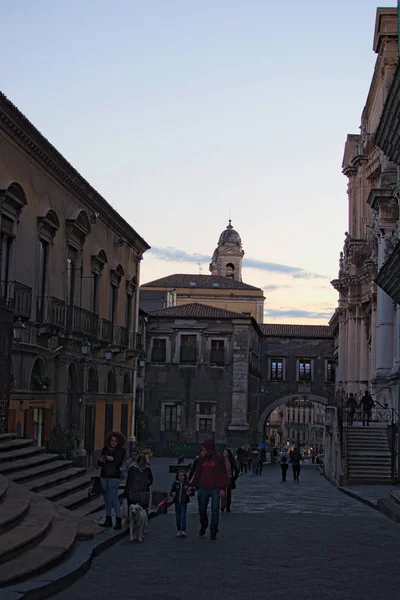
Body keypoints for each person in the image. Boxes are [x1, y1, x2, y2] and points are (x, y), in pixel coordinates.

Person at [189, 439, 228, 541]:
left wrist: (223, 488)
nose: (202, 451)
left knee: (215, 510)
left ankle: (213, 530)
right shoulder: (202, 459)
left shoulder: (219, 458)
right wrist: (191, 485)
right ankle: (204, 524)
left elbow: (224, 474)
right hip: (203, 488)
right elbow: (197, 473)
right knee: (202, 509)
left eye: (203, 449)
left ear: (208, 449)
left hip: (216, 488)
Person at [98, 431, 126, 529]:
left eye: (115, 441)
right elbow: (100, 462)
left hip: (114, 476)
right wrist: (102, 460)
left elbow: (118, 462)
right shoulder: (105, 449)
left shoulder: (121, 451)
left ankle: (118, 520)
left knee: (114, 498)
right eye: (112, 440)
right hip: (104, 475)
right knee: (106, 499)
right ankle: (108, 519)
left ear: (118, 442)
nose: (113, 442)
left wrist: (110, 459)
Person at [170, 469, 192, 538]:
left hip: (184, 503)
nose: (181, 477)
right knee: (178, 517)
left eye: (182, 475)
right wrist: (172, 493)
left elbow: (192, 492)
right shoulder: (175, 484)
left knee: (183, 516)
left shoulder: (187, 484)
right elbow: (172, 491)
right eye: (179, 475)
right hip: (177, 503)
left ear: (185, 476)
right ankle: (178, 529)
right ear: (177, 476)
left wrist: (190, 493)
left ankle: (183, 530)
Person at [221, 448, 239, 513]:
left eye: (225, 452)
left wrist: (235, 477)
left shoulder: (231, 459)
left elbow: (236, 469)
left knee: (228, 493)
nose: (224, 453)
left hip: (229, 477)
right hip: (222, 478)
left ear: (228, 453)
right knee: (222, 492)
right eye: (223, 452)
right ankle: (222, 506)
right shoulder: (220, 459)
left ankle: (228, 507)